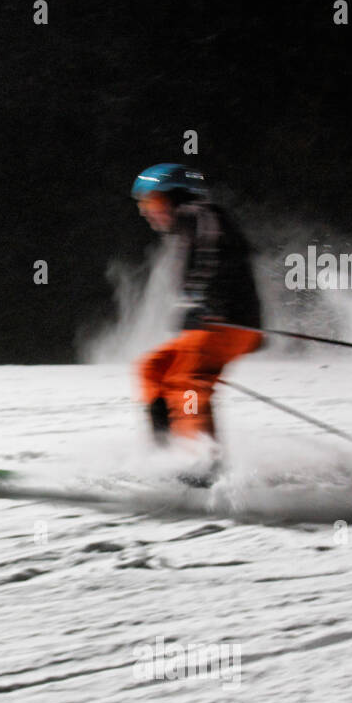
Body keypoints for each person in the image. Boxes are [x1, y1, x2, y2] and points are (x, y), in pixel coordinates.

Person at [130, 163, 263, 484]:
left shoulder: (200, 214)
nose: (147, 212)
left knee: (187, 379)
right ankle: (167, 455)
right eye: (142, 205)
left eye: (152, 201)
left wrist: (203, 300)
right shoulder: (190, 223)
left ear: (176, 196)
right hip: (214, 322)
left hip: (226, 322)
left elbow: (216, 254)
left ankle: (202, 463)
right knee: (154, 368)